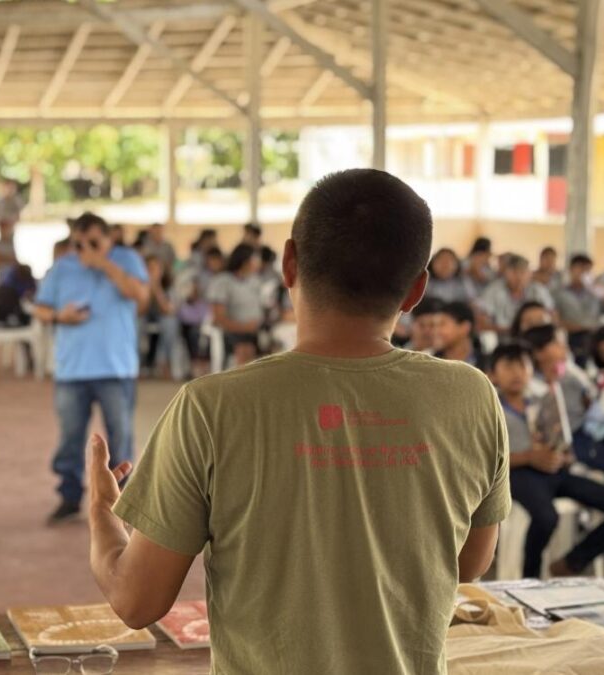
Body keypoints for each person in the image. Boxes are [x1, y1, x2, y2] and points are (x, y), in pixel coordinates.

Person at [87, 168, 508, 674]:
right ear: (416, 289)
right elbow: (468, 563)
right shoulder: (470, 396)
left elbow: (136, 601)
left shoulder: (212, 409)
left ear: (289, 263)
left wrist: (103, 515)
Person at [33, 212, 149, 524]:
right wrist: (61, 317)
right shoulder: (63, 267)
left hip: (116, 368)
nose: (86, 248)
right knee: (70, 437)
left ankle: (123, 502)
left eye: (94, 241)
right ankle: (69, 497)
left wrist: (104, 264)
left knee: (120, 437)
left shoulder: (126, 259)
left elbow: (140, 296)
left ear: (108, 237)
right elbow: (40, 309)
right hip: (73, 370)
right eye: (80, 242)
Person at [492, 342, 604, 578]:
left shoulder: (541, 401)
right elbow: (486, 458)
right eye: (509, 367)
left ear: (532, 370)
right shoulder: (492, 408)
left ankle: (573, 561)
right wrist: (528, 457)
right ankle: (530, 577)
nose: (517, 373)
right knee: (546, 517)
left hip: (553, 470)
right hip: (517, 472)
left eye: (523, 366)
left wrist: (561, 455)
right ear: (493, 374)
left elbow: (560, 440)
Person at [208, 244, 264, 366]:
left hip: (254, 331)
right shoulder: (223, 282)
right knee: (244, 350)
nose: (257, 263)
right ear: (245, 261)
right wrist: (244, 327)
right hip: (231, 331)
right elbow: (219, 317)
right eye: (255, 259)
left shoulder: (255, 281)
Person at [476, 254, 554, 336]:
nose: (518, 277)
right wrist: (513, 331)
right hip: (502, 338)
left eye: (522, 272)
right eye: (514, 272)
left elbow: (552, 316)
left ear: (530, 274)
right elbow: (481, 323)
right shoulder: (493, 290)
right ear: (505, 273)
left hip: (535, 337)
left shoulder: (538, 290)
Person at [176, 248, 223, 378]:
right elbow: (191, 296)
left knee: (209, 334)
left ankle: (206, 366)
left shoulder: (225, 278)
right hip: (199, 315)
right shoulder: (200, 277)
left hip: (216, 316)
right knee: (193, 332)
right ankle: (196, 364)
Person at [556, 254, 600, 367]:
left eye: (588, 270)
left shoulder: (596, 293)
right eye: (581, 268)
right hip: (570, 339)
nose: (584, 273)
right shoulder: (559, 293)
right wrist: (582, 327)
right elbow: (555, 320)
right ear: (571, 269)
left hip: (594, 340)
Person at [142, 257, 178, 380]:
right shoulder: (137, 284)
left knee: (170, 323)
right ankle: (139, 365)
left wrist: (156, 288)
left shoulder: (169, 286)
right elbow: (139, 310)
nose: (152, 272)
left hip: (162, 318)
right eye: (149, 268)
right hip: (142, 317)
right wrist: (147, 288)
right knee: (136, 323)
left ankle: (163, 363)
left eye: (155, 268)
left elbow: (168, 310)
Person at [433, 301, 484, 369]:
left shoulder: (487, 366)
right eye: (435, 326)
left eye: (442, 324)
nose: (436, 331)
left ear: (464, 327)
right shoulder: (430, 363)